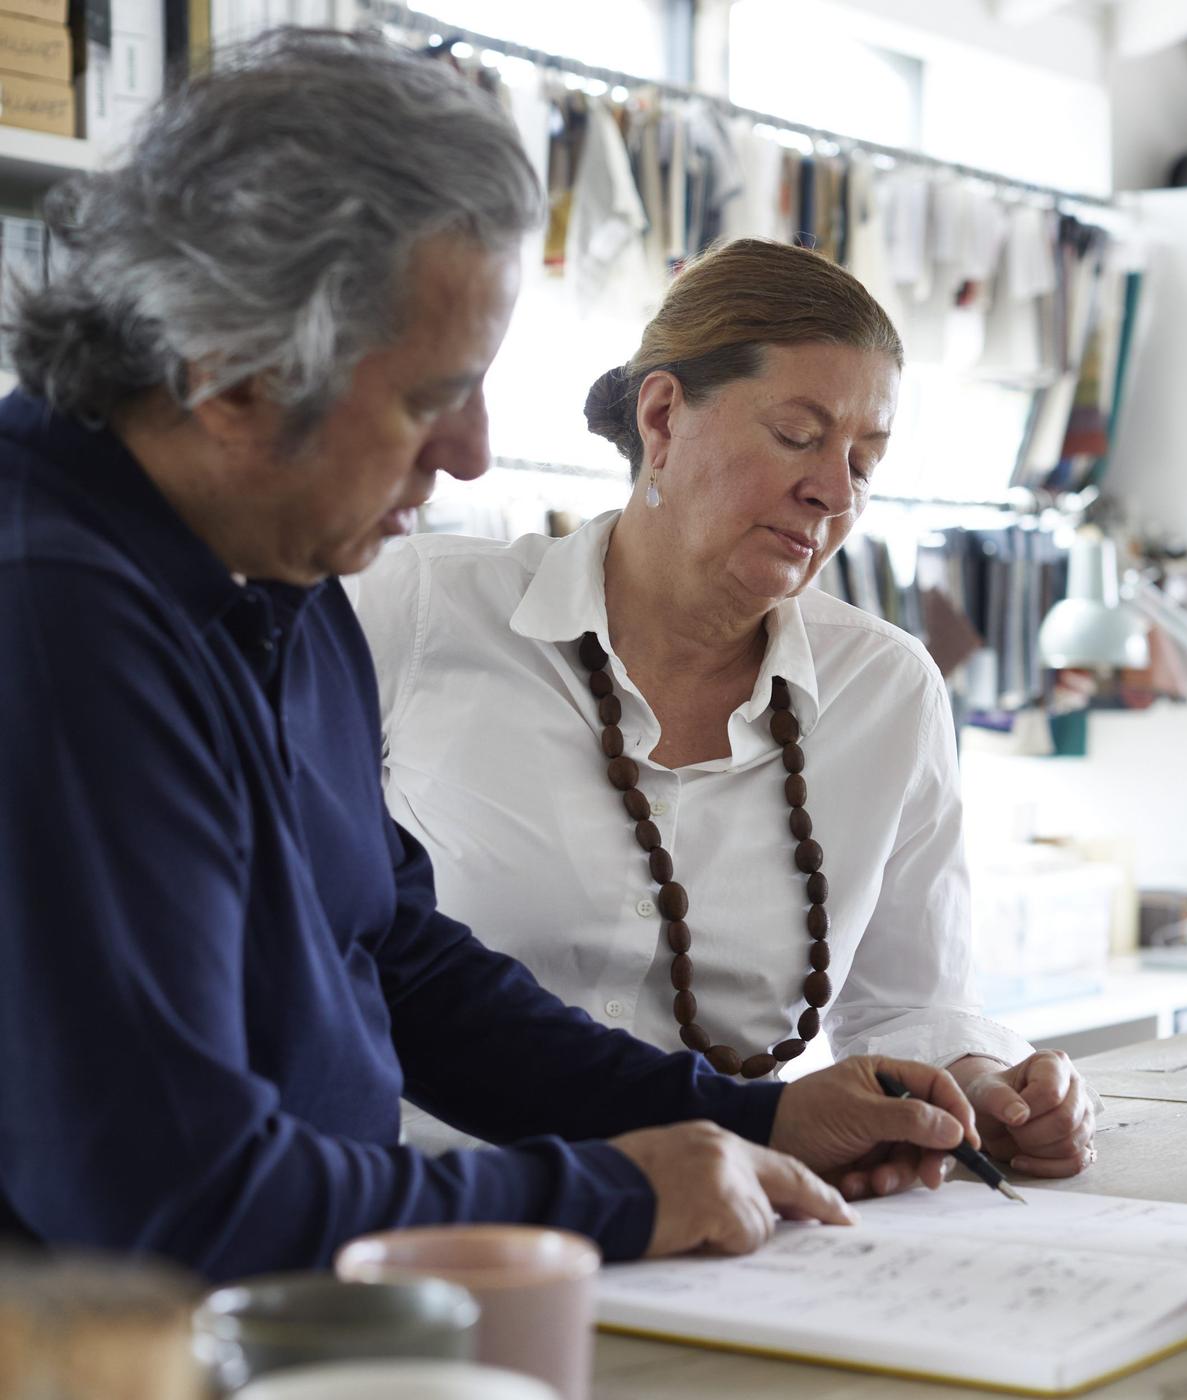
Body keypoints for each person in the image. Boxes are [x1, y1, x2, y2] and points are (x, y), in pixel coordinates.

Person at [0, 31, 1008, 1283]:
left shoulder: (287, 567)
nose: (474, 453)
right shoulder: (50, 620)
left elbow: (399, 957)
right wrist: (610, 1193)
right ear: (232, 368)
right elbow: (163, 1190)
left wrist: (753, 1115)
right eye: (433, 395)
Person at [354, 237, 1097, 1181]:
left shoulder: (889, 691)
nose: (833, 490)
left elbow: (914, 1002)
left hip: (735, 1228)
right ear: (661, 418)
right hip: (435, 1215)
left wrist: (983, 1084)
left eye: (866, 462)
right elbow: (346, 949)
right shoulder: (410, 611)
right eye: (798, 434)